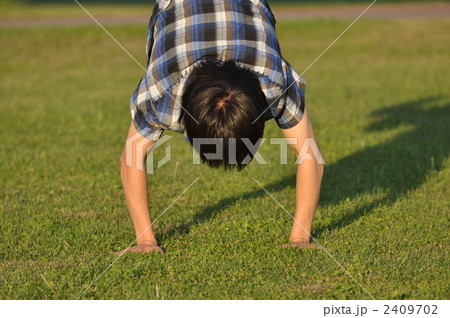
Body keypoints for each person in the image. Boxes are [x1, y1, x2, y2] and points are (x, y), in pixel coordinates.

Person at [116, 0, 324, 255]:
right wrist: (145, 241)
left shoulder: (274, 84)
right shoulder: (162, 93)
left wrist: (300, 237)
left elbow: (310, 154)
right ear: (187, 127)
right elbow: (131, 158)